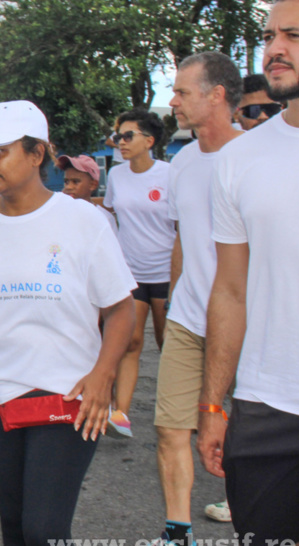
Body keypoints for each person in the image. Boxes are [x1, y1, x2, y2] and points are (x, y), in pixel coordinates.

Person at [0, 100, 136, 546]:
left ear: (37, 154)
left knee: (43, 529)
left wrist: (102, 376)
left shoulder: (82, 221)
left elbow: (121, 310)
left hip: (68, 396)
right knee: (12, 525)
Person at [110, 51, 243, 546]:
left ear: (216, 95)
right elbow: (182, 239)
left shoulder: (257, 156)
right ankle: (179, 541)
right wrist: (183, 294)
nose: (173, 101)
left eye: (183, 92)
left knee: (254, 436)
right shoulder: (185, 162)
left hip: (252, 323)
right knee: (170, 429)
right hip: (191, 318)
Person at [197, 1, 299, 546]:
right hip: (272, 397)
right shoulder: (241, 158)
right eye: (269, 35)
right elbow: (230, 289)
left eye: (293, 34)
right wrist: (215, 405)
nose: (274, 48)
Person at [103, 109, 174, 439]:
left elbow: (181, 227)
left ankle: (185, 411)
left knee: (167, 344)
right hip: (131, 273)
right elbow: (111, 212)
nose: (121, 142)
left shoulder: (171, 175)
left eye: (128, 136)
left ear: (150, 140)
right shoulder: (116, 176)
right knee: (131, 341)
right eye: (118, 137)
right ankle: (121, 414)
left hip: (166, 273)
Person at [58, 154, 117, 235]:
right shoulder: (59, 213)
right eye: (66, 182)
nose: (69, 187)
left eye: (75, 182)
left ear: (93, 185)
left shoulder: (104, 217)